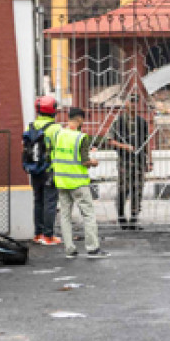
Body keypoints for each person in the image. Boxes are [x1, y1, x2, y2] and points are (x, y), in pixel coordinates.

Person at [51, 106, 105, 259]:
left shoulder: (57, 134)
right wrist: (93, 162)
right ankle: (92, 248)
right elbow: (84, 161)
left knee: (65, 216)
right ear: (80, 119)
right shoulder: (81, 137)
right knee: (88, 214)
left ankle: (69, 249)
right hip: (78, 182)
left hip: (61, 181)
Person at [106, 92, 152, 231]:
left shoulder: (141, 122)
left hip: (139, 161)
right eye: (130, 101)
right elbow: (109, 140)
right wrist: (124, 146)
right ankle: (121, 217)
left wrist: (149, 160)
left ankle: (133, 219)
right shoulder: (118, 121)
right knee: (123, 190)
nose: (133, 104)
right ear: (125, 103)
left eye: (135, 102)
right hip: (124, 162)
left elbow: (146, 142)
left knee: (137, 190)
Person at [23, 95, 60, 246]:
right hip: (50, 169)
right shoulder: (56, 129)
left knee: (38, 201)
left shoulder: (30, 126)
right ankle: (48, 236)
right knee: (50, 202)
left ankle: (38, 234)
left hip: (34, 169)